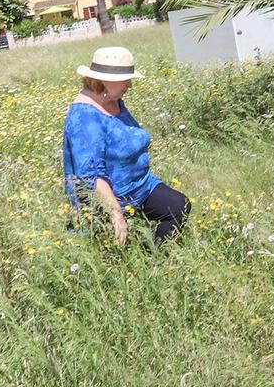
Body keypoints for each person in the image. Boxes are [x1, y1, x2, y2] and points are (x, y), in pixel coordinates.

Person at [63, 45, 190, 244]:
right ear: (105, 80)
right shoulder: (85, 117)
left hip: (140, 186)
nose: (129, 85)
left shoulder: (112, 100)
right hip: (109, 197)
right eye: (125, 80)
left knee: (177, 205)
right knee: (113, 248)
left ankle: (159, 263)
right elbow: (91, 176)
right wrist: (116, 213)